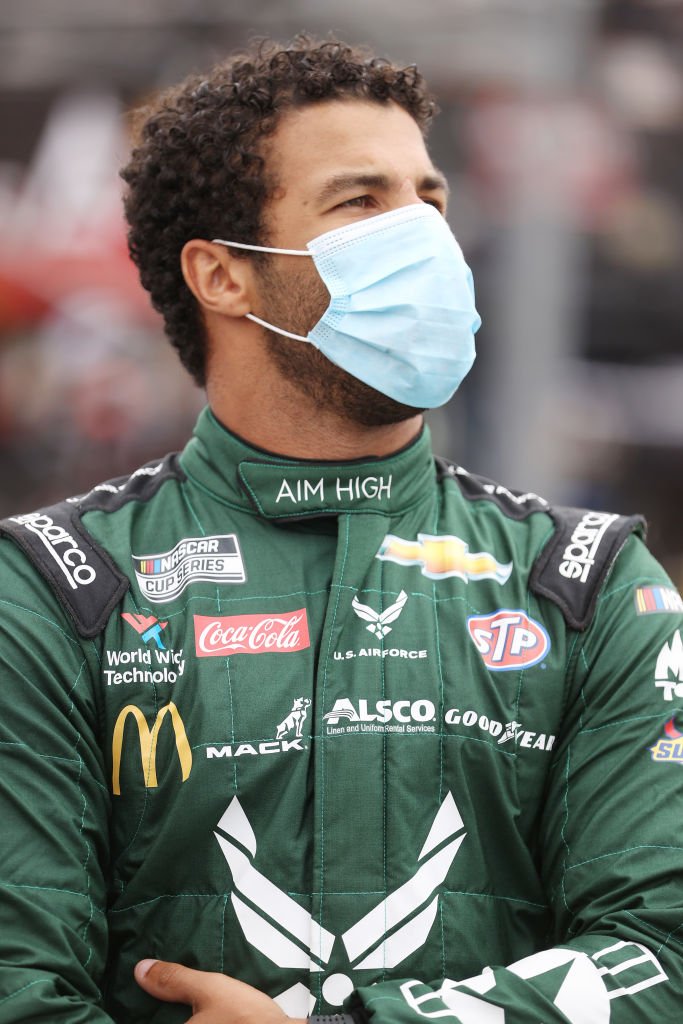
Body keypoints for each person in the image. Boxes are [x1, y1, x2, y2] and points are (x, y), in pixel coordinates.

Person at [1, 35, 682, 1024]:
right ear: (223, 275)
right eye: (360, 202)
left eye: (429, 199)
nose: (423, 238)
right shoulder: (54, 589)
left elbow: (659, 957)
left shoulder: (587, 582)